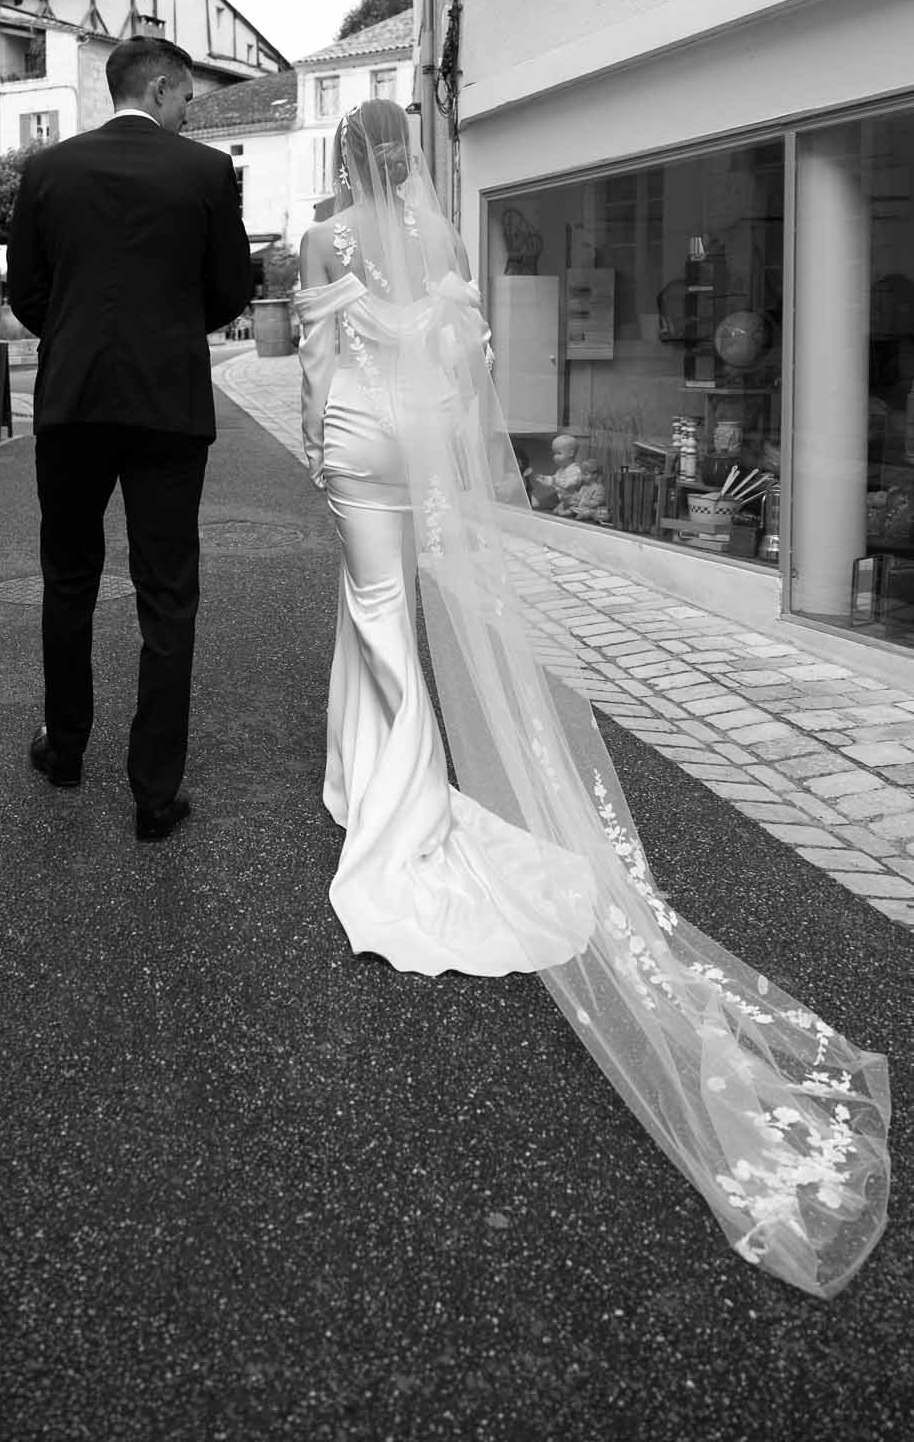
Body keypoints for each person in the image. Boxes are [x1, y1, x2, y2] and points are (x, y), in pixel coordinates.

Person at [294, 98, 889, 1298]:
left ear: (345, 160)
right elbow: (468, 374)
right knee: (389, 609)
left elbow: (314, 365)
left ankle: (399, 813)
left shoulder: (326, 242)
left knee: (373, 611)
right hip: (417, 440)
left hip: (363, 440)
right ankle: (360, 773)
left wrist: (323, 436)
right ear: (408, 159)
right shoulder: (445, 242)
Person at [8, 37, 252, 841]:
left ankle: (66, 748)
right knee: (167, 591)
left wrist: (78, 336)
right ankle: (154, 792)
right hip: (166, 404)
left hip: (72, 401)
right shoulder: (206, 174)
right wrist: (170, 333)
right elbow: (228, 291)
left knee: (69, 576)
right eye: (186, 98)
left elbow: (27, 291)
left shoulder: (46, 173)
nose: (190, 113)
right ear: (159, 87)